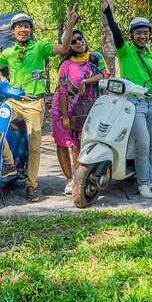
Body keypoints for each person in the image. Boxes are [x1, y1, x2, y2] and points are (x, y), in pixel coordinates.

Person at [0, 6, 79, 202]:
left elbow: (64, 49)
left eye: (26, 26)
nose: (23, 30)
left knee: (35, 146)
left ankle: (31, 185)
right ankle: (9, 163)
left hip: (34, 103)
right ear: (13, 31)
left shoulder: (40, 47)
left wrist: (71, 24)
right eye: (19, 27)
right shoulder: (8, 52)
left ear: (30, 30)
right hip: (13, 102)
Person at [103, 3, 152, 198]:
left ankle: (151, 180)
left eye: (146, 33)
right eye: (138, 33)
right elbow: (116, 34)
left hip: (151, 104)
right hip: (134, 104)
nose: (142, 36)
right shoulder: (126, 52)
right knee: (143, 143)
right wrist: (109, 15)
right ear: (132, 35)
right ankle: (143, 183)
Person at [51, 28, 108, 195]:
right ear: (69, 46)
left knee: (78, 144)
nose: (78, 42)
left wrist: (85, 81)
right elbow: (61, 90)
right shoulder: (65, 65)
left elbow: (105, 75)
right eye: (73, 41)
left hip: (86, 109)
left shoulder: (95, 57)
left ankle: (80, 178)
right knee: (63, 144)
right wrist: (64, 116)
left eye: (80, 38)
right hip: (63, 108)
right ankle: (70, 180)